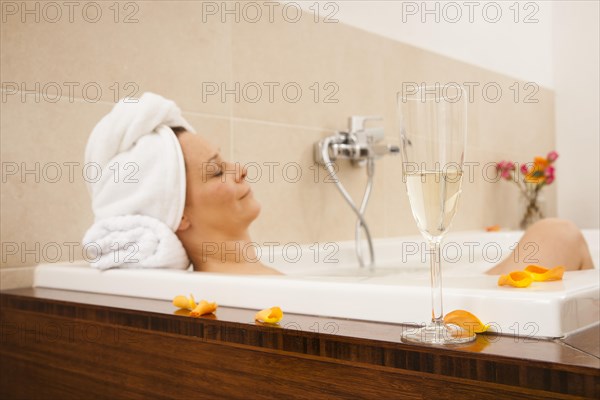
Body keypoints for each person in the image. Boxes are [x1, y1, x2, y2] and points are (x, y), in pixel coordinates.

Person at [83, 93, 594, 275]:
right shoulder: (238, 286)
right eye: (216, 171)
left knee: (558, 234)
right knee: (560, 233)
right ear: (178, 216)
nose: (240, 171)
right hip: (461, 317)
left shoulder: (261, 273)